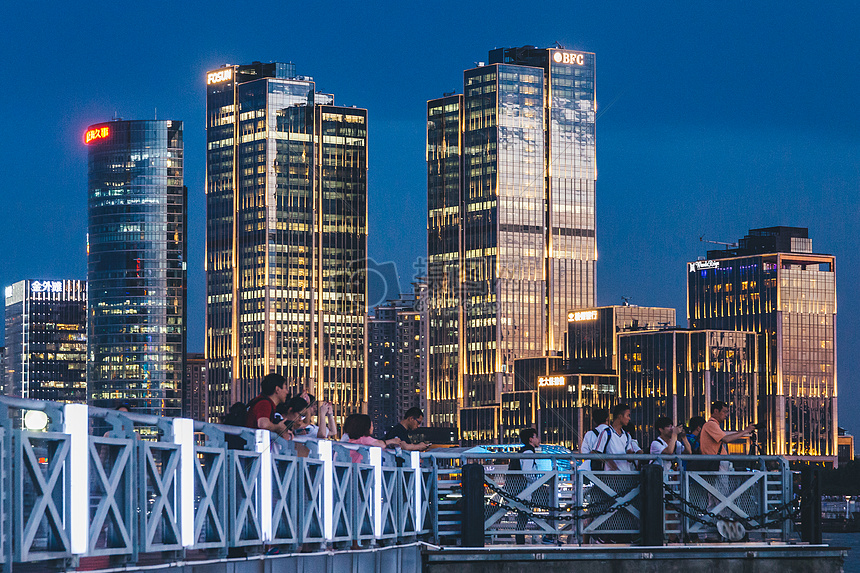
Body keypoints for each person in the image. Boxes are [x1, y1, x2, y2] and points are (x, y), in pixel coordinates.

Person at [508, 428, 541, 544]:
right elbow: (527, 472)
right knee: (524, 516)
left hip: (519, 489)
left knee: (523, 518)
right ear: (531, 439)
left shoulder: (522, 451)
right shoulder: (529, 452)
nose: (538, 439)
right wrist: (537, 481)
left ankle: (520, 539)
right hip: (525, 490)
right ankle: (549, 534)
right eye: (536, 437)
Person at [700, 401, 755, 472]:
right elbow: (726, 439)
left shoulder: (713, 425)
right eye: (724, 412)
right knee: (721, 483)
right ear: (716, 411)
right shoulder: (711, 424)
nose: (726, 415)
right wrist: (745, 431)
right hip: (716, 463)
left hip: (717, 462)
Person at [593, 404, 642, 471]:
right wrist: (607, 460)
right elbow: (595, 453)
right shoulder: (606, 433)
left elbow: (629, 458)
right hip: (611, 476)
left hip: (626, 474)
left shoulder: (627, 436)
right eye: (627, 415)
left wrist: (631, 454)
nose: (629, 418)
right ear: (620, 416)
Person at [245, 373, 292, 440]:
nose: (287, 392)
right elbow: (264, 425)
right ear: (277, 389)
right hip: (253, 446)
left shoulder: (263, 402)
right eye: (285, 388)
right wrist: (278, 427)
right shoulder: (264, 404)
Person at [579, 407, 611, 471]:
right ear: (607, 419)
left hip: (594, 470)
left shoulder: (589, 434)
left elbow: (585, 454)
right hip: (611, 469)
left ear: (594, 421)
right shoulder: (613, 433)